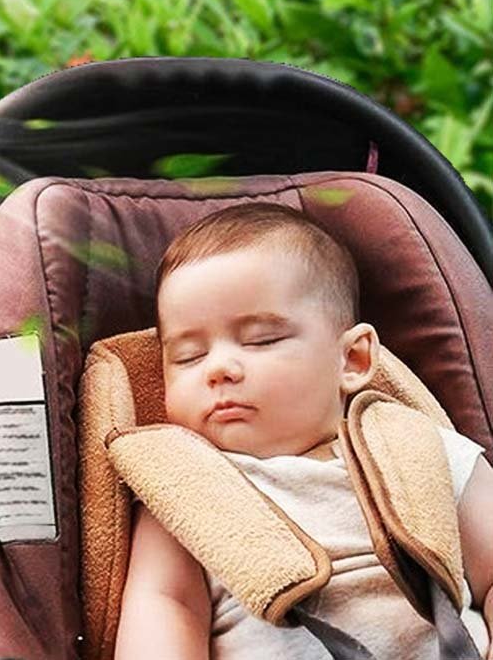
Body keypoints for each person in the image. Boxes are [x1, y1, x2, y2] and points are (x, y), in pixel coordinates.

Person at [113, 202, 493, 660]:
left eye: (261, 340)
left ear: (351, 360)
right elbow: (166, 606)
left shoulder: (422, 450)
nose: (219, 369)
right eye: (189, 356)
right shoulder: (182, 494)